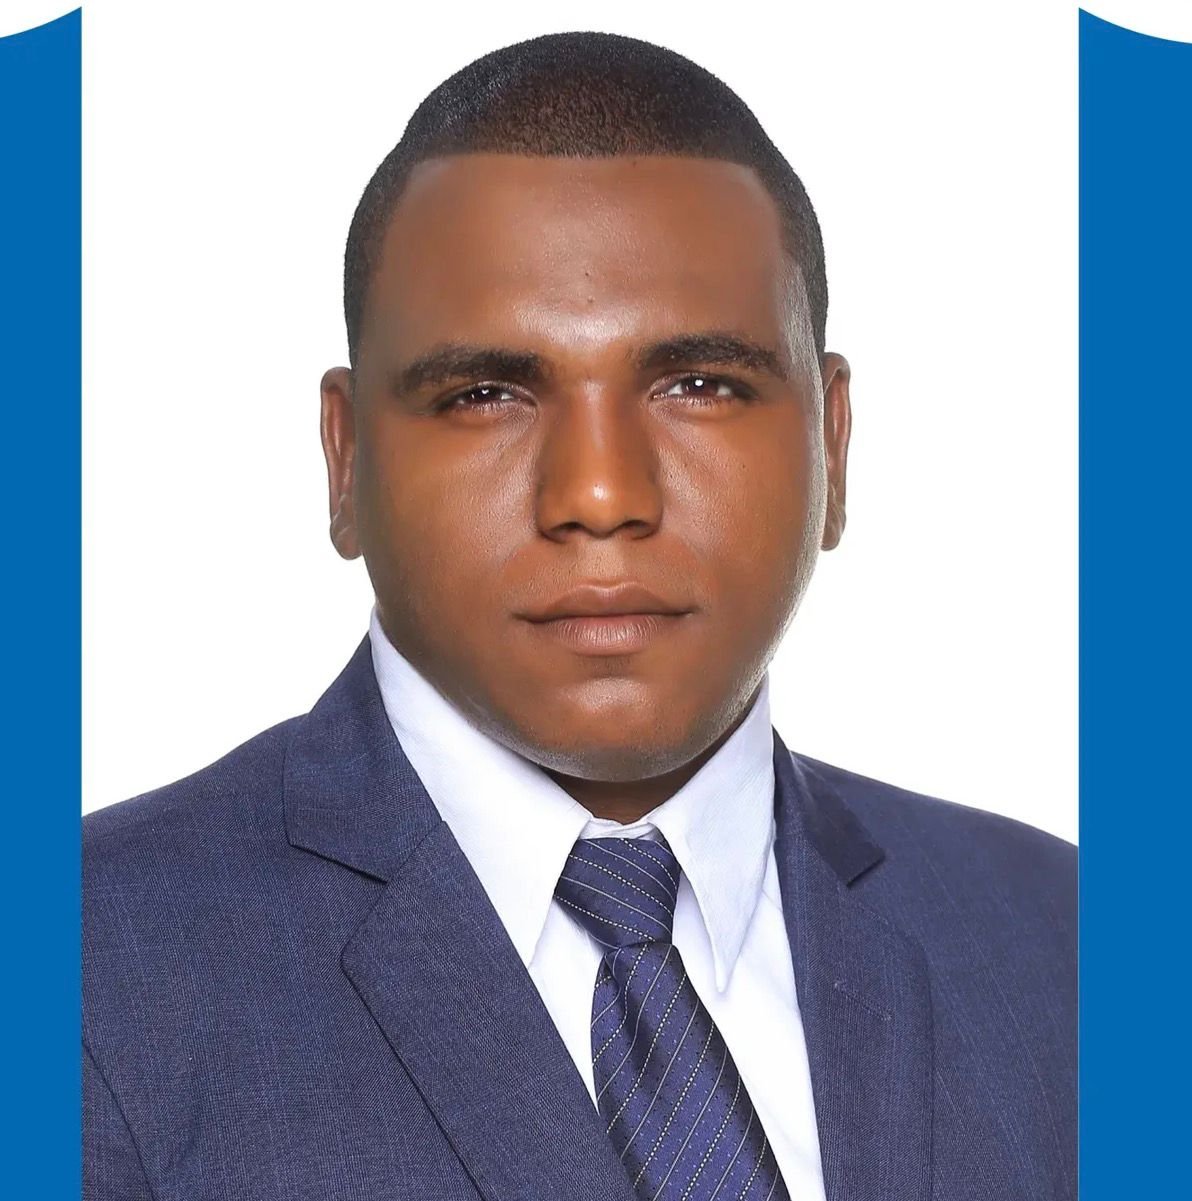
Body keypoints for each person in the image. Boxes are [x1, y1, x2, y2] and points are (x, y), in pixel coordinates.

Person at [82, 31, 1076, 1201]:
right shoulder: (76, 976)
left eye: (700, 385)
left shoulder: (1076, 949)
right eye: (484, 393)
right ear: (345, 461)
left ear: (833, 441)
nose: (599, 493)